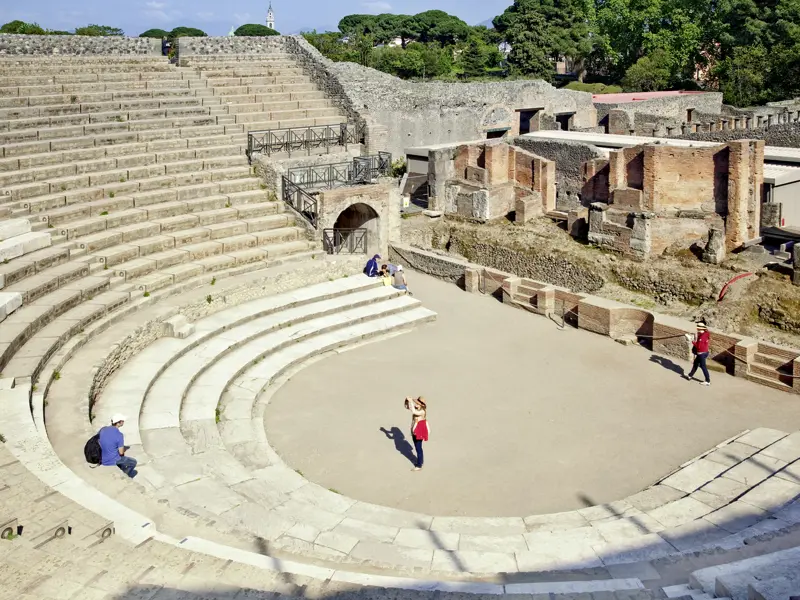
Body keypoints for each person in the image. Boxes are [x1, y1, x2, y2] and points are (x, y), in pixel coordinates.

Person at [99, 414, 137, 478]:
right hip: (111, 460)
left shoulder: (103, 429)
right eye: (123, 421)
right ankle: (125, 476)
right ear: (119, 423)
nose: (123, 422)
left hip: (101, 457)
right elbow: (121, 452)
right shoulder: (119, 435)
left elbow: (98, 439)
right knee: (133, 462)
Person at [405, 396, 429, 471]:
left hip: (419, 432)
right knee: (417, 448)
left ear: (421, 405)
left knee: (419, 448)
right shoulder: (417, 408)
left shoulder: (422, 411)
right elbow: (407, 407)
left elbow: (414, 412)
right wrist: (407, 401)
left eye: (417, 403)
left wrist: (411, 402)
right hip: (415, 432)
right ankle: (420, 462)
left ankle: (419, 465)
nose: (416, 404)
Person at [685, 320, 711, 386]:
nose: (697, 328)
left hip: (701, 354)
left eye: (698, 328)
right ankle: (690, 375)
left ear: (700, 328)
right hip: (704, 352)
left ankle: (707, 381)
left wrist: (691, 340)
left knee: (703, 366)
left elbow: (699, 347)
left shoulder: (702, 337)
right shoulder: (706, 333)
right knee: (695, 364)